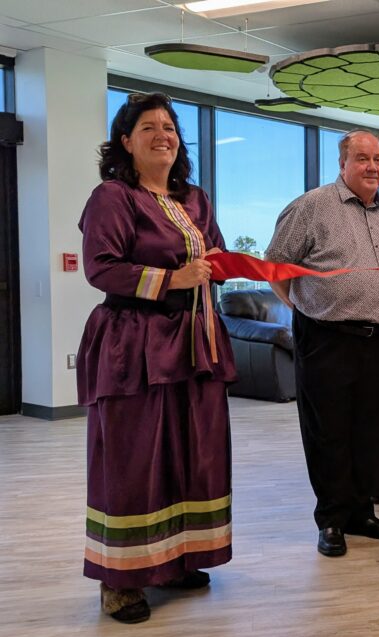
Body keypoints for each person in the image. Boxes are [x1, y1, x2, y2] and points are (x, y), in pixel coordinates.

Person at [77, 92, 236, 624]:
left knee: (192, 452)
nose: (161, 134)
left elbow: (210, 252)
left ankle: (175, 560)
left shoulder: (195, 199)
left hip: (195, 340)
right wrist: (172, 278)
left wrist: (227, 264)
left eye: (169, 127)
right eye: (148, 127)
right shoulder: (112, 197)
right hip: (133, 343)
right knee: (134, 459)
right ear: (126, 141)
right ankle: (119, 582)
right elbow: (100, 268)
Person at [265, 130, 379, 557]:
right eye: (362, 158)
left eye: (378, 159)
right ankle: (331, 519)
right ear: (342, 164)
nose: (372, 167)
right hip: (329, 339)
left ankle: (361, 512)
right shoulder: (312, 206)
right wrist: (305, 307)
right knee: (328, 432)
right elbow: (275, 266)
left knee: (371, 431)